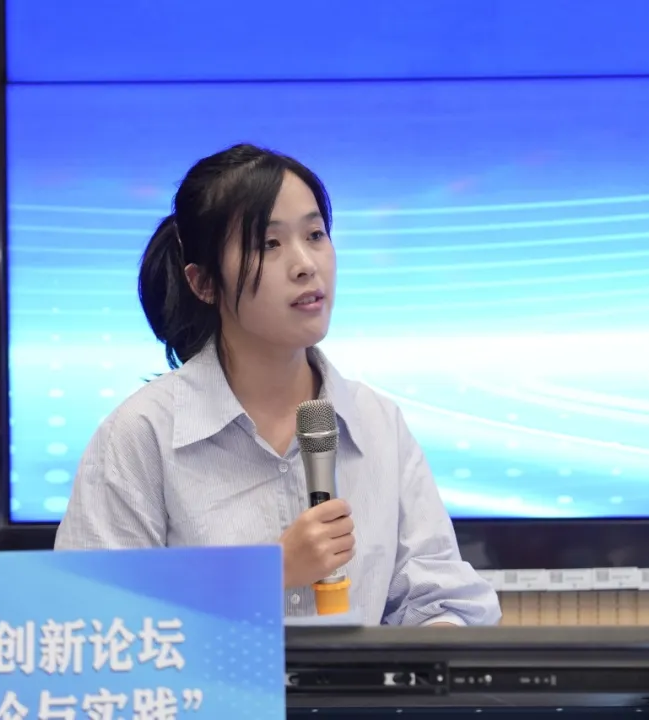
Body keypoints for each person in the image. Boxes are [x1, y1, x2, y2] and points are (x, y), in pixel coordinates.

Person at [55, 143, 501, 627]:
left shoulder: (377, 422)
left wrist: (432, 644)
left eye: (315, 234)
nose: (306, 264)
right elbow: (90, 625)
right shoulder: (142, 433)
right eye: (268, 244)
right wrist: (269, 572)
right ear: (204, 283)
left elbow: (443, 599)